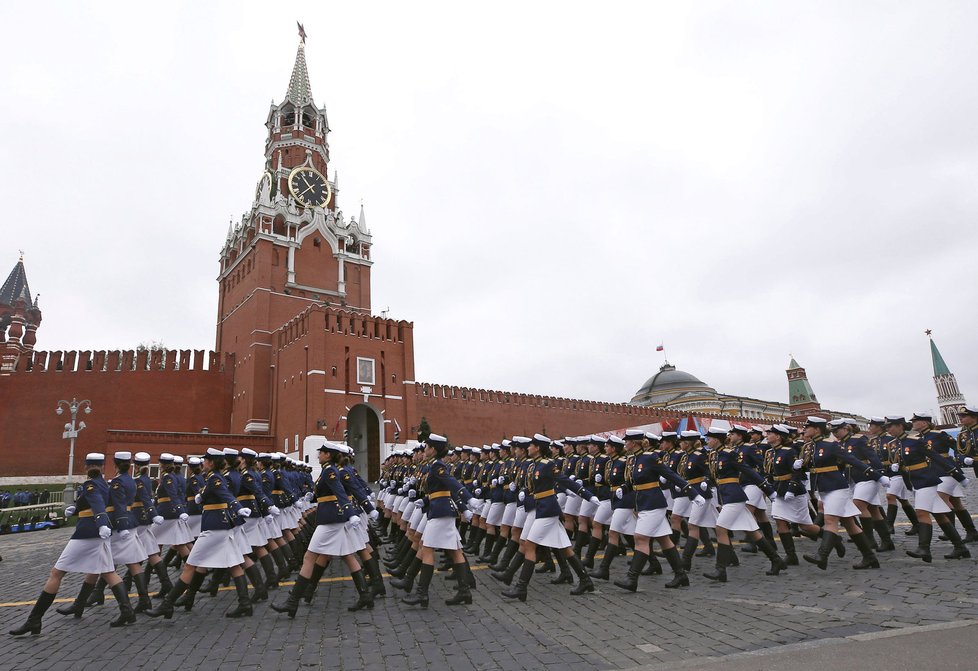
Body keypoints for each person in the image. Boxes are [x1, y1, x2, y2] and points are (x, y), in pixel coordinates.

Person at [9, 453, 135, 636]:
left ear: (86, 467)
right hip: (100, 533)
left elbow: (98, 504)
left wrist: (100, 523)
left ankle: (34, 620)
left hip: (87, 534)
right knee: (108, 572)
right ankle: (127, 611)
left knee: (56, 573)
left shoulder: (90, 484)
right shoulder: (104, 483)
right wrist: (76, 509)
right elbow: (95, 502)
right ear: (102, 466)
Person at [146, 448, 253, 619]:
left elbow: (226, 496)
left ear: (211, 462)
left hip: (215, 527)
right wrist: (201, 496)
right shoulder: (213, 477)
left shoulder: (215, 478)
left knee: (190, 565)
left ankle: (168, 605)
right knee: (233, 564)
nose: (203, 463)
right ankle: (244, 603)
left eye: (205, 460)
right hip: (220, 526)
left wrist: (238, 508)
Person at [270, 442, 374, 617]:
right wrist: (313, 496)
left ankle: (292, 601)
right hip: (333, 518)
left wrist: (351, 512)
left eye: (321, 453)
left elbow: (340, 492)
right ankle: (365, 595)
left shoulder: (329, 471)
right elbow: (327, 493)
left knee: (309, 556)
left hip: (331, 520)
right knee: (347, 555)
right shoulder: (328, 470)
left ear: (328, 455)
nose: (318, 456)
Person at [501, 434, 598, 601]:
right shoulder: (533, 465)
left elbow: (565, 480)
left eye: (531, 445)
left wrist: (587, 496)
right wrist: (524, 491)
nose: (529, 448)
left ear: (538, 448)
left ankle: (521, 587)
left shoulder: (547, 465)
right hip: (538, 508)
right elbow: (532, 486)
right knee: (565, 548)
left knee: (530, 545)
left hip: (547, 509)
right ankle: (585, 580)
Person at [614, 430, 703, 591]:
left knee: (640, 538)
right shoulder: (633, 459)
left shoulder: (650, 457)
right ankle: (681, 574)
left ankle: (632, 578)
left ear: (634, 443)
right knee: (664, 540)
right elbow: (635, 480)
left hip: (653, 503)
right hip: (643, 502)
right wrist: (624, 488)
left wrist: (692, 491)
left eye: (627, 441)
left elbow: (670, 475)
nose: (625, 444)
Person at [797, 417, 886, 570]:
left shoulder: (831, 445)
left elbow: (853, 460)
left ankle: (822, 555)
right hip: (824, 488)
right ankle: (870, 557)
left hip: (837, 487)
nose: (805, 429)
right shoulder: (811, 447)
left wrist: (878, 475)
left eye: (808, 427)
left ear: (817, 429)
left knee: (830, 520)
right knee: (849, 523)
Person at [702, 426, 786, 583]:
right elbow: (713, 475)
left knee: (721, 529)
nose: (707, 441)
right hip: (725, 495)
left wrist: (768, 489)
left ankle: (721, 569)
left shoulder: (730, 454)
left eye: (710, 438)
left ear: (717, 439)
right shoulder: (713, 455)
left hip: (734, 495)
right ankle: (776, 560)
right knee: (753, 531)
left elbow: (749, 472)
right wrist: (707, 482)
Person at [886, 416, 971, 561]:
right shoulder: (895, 444)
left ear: (900, 426)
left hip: (926, 479)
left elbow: (937, 458)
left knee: (921, 513)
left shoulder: (916, 441)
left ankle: (924, 548)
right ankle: (960, 547)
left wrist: (958, 476)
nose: (888, 429)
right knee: (939, 515)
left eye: (891, 426)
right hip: (916, 482)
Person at [910, 411, 978, 543]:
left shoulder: (939, 434)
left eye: (915, 421)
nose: (912, 423)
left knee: (941, 497)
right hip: (933, 472)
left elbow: (957, 448)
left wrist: (963, 459)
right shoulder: (917, 438)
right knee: (955, 503)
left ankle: (951, 531)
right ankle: (971, 531)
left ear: (924, 422)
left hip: (947, 471)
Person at [832, 419, 895, 551]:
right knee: (873, 510)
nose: (835, 434)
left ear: (845, 428)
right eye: (833, 431)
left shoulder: (859, 439)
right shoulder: (840, 443)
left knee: (859, 506)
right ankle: (887, 540)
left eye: (837, 431)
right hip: (854, 479)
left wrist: (880, 474)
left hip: (867, 476)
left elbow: (872, 456)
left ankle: (869, 540)